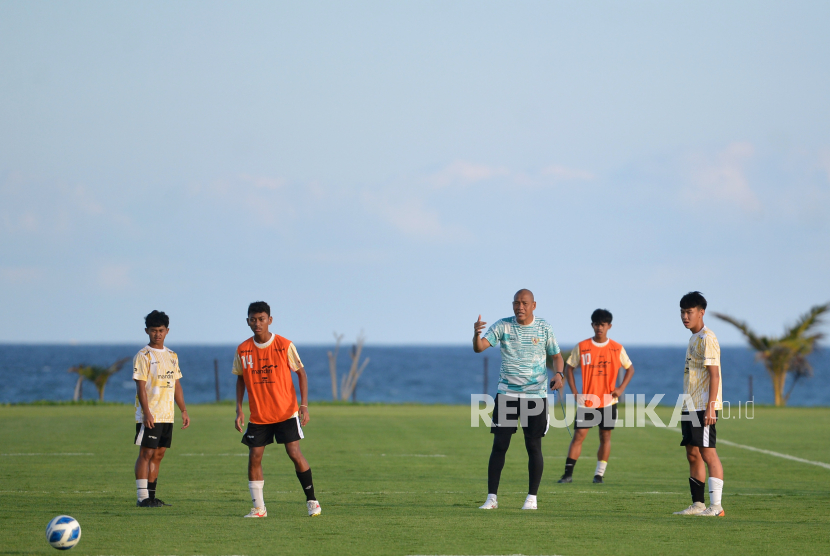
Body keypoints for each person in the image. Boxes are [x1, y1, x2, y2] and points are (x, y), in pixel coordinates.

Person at [473, 289, 564, 511]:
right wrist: (476, 334)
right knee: (500, 445)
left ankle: (532, 498)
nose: (519, 307)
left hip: (535, 396)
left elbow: (557, 356)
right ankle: (491, 498)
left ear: (534, 305)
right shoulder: (502, 326)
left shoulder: (544, 327)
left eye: (524, 303)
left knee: (533, 446)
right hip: (507, 394)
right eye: (516, 303)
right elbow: (480, 348)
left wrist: (559, 375)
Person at [234, 301, 321, 518]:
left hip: (285, 412)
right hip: (259, 415)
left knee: (294, 453)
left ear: (270, 320)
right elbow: (240, 379)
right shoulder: (243, 349)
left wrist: (304, 406)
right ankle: (259, 508)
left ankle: (312, 501)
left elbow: (301, 373)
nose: (257, 323)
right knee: (254, 456)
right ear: (247, 321)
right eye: (253, 319)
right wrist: (239, 410)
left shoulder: (284, 345)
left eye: (261, 319)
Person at [558, 308, 634, 484]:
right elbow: (569, 367)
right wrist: (575, 392)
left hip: (608, 402)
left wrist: (620, 389)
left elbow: (630, 369)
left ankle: (599, 474)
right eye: (597, 324)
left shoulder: (616, 348)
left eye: (603, 325)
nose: (600, 328)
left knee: (605, 437)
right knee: (579, 436)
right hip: (588, 402)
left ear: (609, 326)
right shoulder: (583, 347)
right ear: (592, 325)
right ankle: (567, 475)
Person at [673, 291, 725, 517]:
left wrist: (711, 406)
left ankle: (717, 507)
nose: (685, 316)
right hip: (690, 405)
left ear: (701, 312)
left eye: (689, 312)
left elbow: (715, 375)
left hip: (703, 406)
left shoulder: (707, 338)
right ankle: (698, 504)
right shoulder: (693, 338)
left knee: (708, 453)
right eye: (682, 312)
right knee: (692, 453)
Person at [133, 310, 190, 508]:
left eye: (161, 330)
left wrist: (182, 410)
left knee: (159, 454)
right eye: (153, 330)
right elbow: (140, 386)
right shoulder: (143, 355)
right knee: (146, 454)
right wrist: (146, 412)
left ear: (167, 331)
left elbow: (176, 385)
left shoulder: (172, 356)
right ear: (146, 331)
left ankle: (152, 497)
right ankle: (142, 498)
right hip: (151, 414)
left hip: (167, 415)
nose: (157, 334)